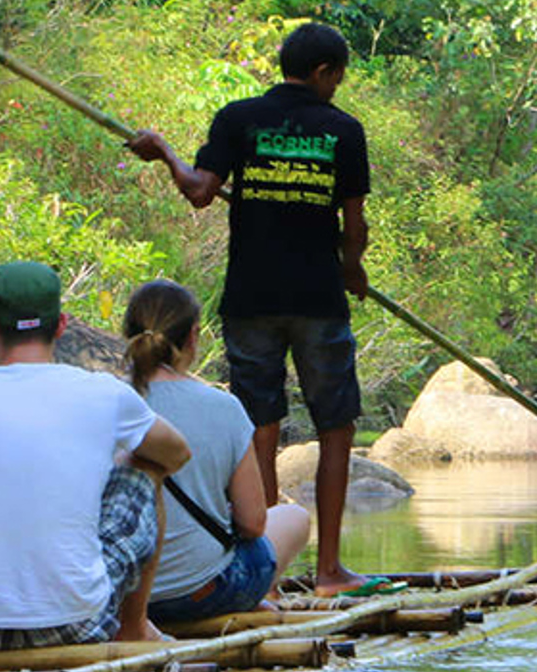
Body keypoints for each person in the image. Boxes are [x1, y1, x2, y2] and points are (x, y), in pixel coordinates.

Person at [127, 22, 383, 597]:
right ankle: (330, 571)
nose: (336, 88)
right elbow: (355, 224)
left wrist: (162, 149)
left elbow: (198, 190)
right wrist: (352, 268)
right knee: (336, 428)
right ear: (322, 73)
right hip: (318, 300)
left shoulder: (238, 118)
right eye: (336, 77)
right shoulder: (343, 130)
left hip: (251, 299)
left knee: (259, 429)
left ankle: (268, 575)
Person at [0, 261, 191, 649]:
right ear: (61, 325)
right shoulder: (104, 394)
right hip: (74, 624)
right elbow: (176, 454)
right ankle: (134, 627)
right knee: (143, 472)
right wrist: (107, 465)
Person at [120, 279, 313, 622]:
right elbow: (253, 524)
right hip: (201, 594)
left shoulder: (103, 403)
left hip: (115, 598)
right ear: (193, 336)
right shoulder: (223, 407)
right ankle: (250, 598)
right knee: (296, 518)